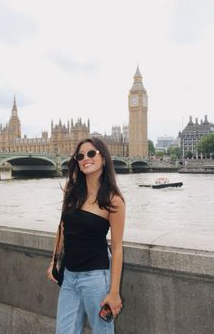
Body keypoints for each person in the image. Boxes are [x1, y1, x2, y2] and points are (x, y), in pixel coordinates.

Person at [47, 137, 125, 334]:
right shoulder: (71, 192)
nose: (85, 158)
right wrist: (53, 261)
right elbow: (62, 228)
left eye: (91, 153)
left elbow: (116, 248)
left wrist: (114, 292)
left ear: (104, 159)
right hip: (69, 277)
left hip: (96, 278)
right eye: (80, 156)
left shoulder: (113, 200)